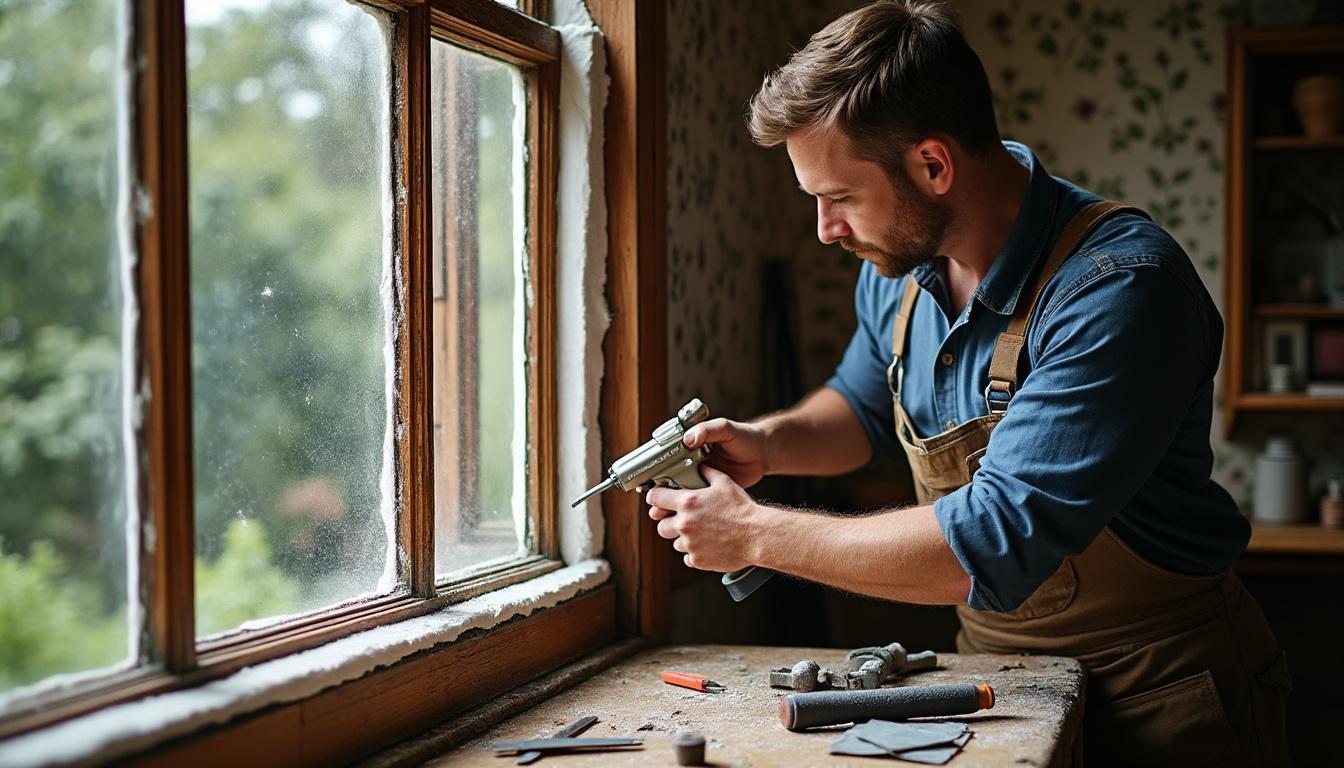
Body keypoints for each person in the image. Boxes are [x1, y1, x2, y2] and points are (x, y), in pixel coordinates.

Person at [643, 1, 1290, 764]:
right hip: (1003, 683)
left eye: (839, 197)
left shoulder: (1120, 290)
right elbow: (860, 407)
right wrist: (768, 443)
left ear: (933, 165)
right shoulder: (901, 275)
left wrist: (754, 532)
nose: (824, 229)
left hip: (1163, 691)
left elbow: (990, 542)